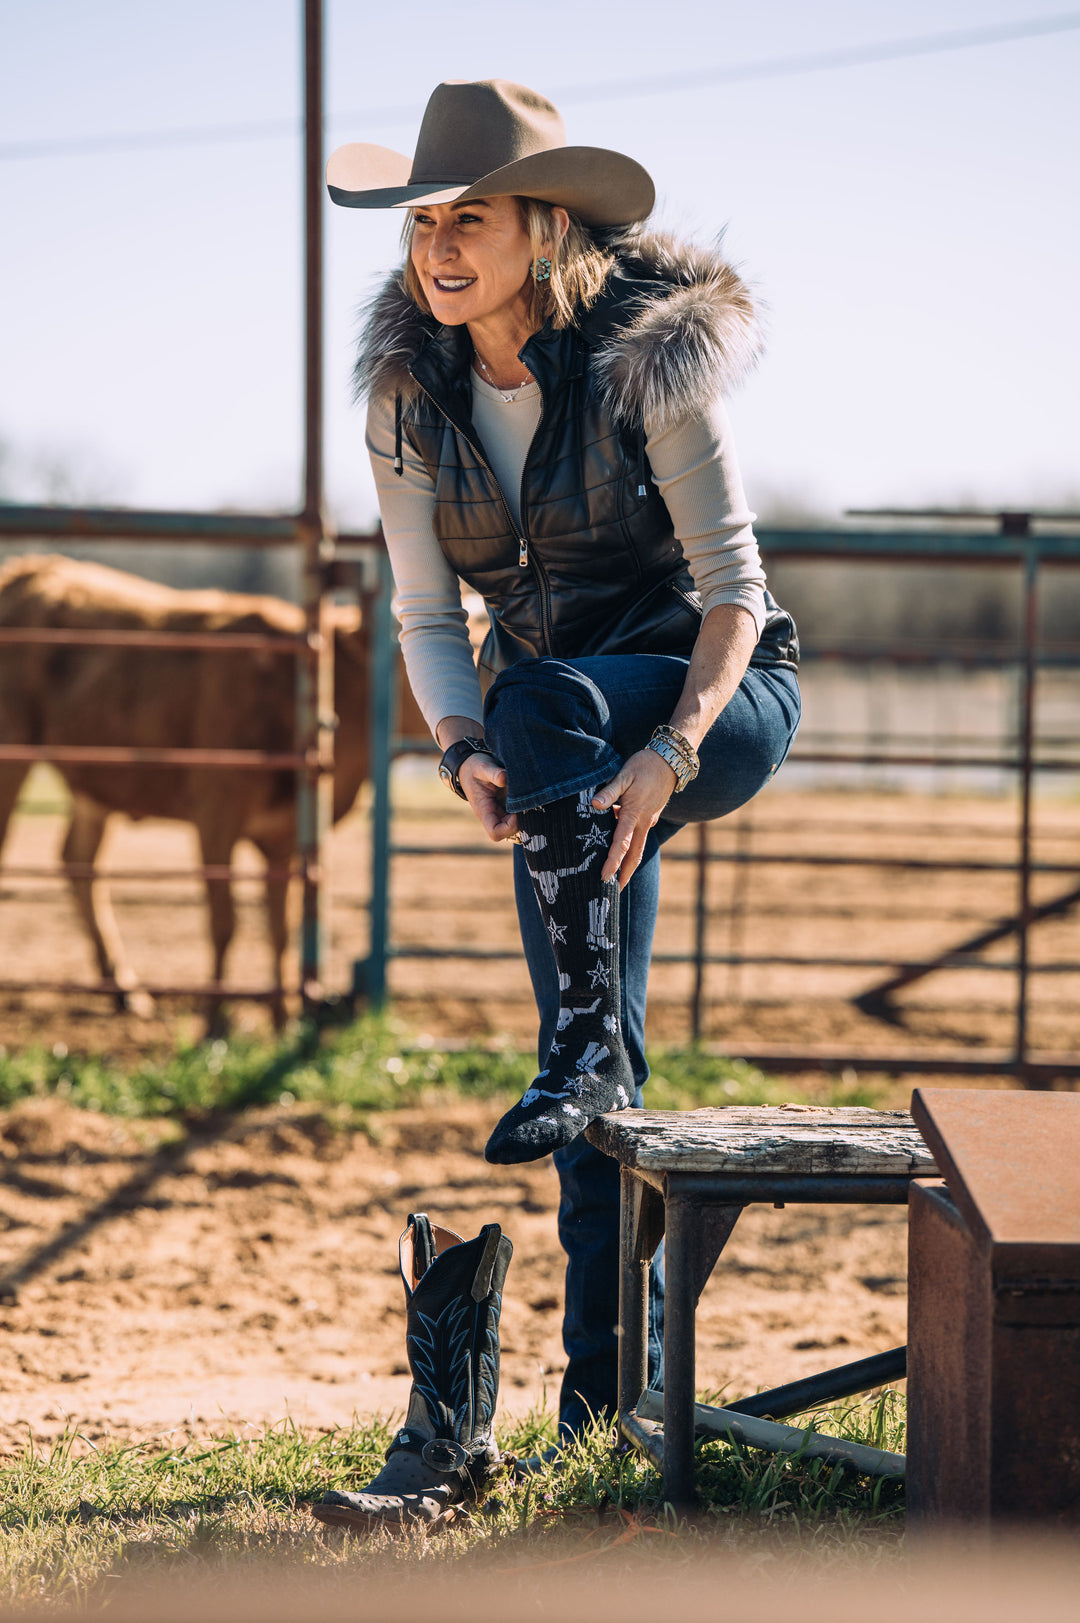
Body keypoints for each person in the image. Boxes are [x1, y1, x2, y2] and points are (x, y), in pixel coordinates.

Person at [312, 79, 800, 1533]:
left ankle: (584, 1050)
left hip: (713, 695)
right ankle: (603, 1405)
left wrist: (670, 753)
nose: (440, 245)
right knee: (586, 1065)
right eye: (421, 223)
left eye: (471, 218)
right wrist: (460, 750)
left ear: (546, 227)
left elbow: (733, 595)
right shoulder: (410, 397)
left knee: (551, 709)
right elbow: (420, 612)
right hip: (554, 747)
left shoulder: (652, 364)